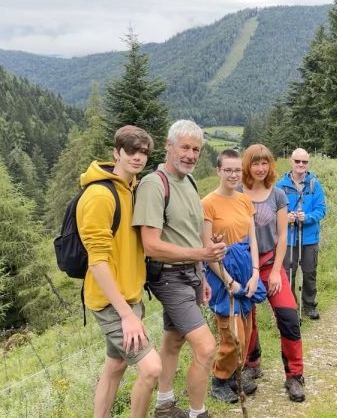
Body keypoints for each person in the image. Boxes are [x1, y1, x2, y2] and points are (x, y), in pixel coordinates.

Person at [133, 120, 226, 418]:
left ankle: (164, 405)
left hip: (190, 275)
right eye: (184, 147)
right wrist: (200, 253)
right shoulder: (153, 184)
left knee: (173, 341)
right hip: (169, 277)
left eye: (196, 149)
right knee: (206, 348)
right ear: (169, 146)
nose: (190, 155)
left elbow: (192, 231)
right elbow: (151, 244)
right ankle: (198, 413)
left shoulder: (190, 181)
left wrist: (202, 271)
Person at [77, 125, 161, 418]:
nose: (137, 158)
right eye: (130, 152)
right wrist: (126, 314)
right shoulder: (100, 195)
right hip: (111, 301)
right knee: (152, 369)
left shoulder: (131, 188)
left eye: (143, 153)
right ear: (116, 153)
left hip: (130, 295)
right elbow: (96, 261)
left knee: (115, 366)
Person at [240, 144, 306, 402]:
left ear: (270, 165)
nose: (260, 168)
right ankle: (250, 365)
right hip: (244, 267)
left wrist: (277, 271)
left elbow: (282, 235)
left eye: (264, 163)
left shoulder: (277, 195)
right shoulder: (237, 193)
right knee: (247, 321)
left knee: (289, 317)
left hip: (270, 265)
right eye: (255, 163)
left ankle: (295, 376)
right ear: (248, 165)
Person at [201, 149, 267, 403]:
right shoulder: (207, 203)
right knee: (232, 332)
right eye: (227, 169)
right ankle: (219, 378)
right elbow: (208, 249)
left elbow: (252, 239)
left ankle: (233, 377)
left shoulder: (244, 200)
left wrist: (255, 273)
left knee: (247, 329)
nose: (232, 174)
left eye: (237, 170)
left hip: (246, 268)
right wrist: (228, 281)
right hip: (222, 271)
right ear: (218, 170)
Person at [276, 148, 327, 320]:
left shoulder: (314, 184)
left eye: (304, 162)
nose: (300, 165)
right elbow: (274, 211)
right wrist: (286, 217)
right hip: (288, 239)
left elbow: (321, 209)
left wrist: (308, 217)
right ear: (291, 161)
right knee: (289, 273)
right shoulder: (280, 185)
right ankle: (290, 307)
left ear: (308, 163)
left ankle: (309, 305)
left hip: (309, 238)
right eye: (297, 161)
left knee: (310, 272)